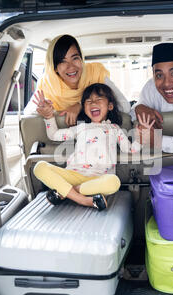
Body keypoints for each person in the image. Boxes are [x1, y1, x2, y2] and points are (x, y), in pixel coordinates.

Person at [33, 83, 154, 211]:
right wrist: (48, 116)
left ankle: (67, 193)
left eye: (98, 99)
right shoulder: (80, 128)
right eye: (88, 101)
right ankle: (83, 200)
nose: (93, 103)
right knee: (39, 167)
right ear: (84, 108)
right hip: (73, 174)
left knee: (114, 182)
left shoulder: (115, 129)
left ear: (110, 106)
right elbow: (54, 135)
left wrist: (141, 138)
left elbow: (130, 150)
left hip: (98, 179)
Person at [24, 34, 131, 126]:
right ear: (55, 67)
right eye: (62, 61)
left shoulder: (95, 73)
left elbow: (125, 107)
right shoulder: (48, 83)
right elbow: (28, 114)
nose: (71, 67)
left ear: (81, 59)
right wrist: (45, 110)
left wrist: (81, 105)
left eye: (75, 58)